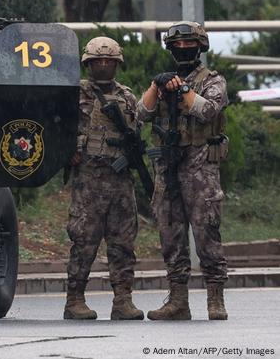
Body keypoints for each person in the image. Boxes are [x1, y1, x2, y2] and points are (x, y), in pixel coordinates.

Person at [137, 21, 229, 321]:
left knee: (206, 233)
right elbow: (141, 113)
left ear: (201, 47)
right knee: (170, 234)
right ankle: (178, 301)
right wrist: (157, 85)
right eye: (178, 46)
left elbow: (206, 111)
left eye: (190, 45)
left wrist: (184, 88)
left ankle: (216, 299)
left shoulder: (213, 81)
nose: (184, 50)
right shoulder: (165, 82)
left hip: (201, 169)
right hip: (168, 169)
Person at [64, 36, 144, 320]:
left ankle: (123, 300)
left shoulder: (126, 96)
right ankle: (74, 300)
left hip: (121, 180)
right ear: (88, 63)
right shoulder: (75, 94)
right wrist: (69, 151)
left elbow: (136, 131)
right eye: (98, 61)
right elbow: (57, 127)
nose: (103, 66)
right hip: (90, 179)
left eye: (109, 61)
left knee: (123, 242)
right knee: (84, 240)